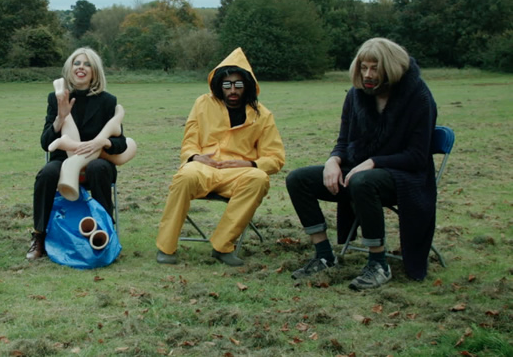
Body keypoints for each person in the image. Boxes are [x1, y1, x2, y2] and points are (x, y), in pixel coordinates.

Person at [287, 37, 437, 289]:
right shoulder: (357, 96)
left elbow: (417, 156)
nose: (367, 74)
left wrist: (373, 162)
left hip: (405, 176)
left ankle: (378, 264)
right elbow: (344, 140)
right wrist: (333, 161)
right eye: (363, 67)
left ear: (391, 67)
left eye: (375, 68)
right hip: (359, 172)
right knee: (297, 179)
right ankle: (324, 255)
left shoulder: (419, 97)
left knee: (363, 180)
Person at [156, 48, 285, 267]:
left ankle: (223, 246)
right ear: (219, 85)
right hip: (203, 167)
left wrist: (251, 163)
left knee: (259, 178)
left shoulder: (263, 115)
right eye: (227, 85)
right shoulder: (202, 104)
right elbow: (189, 140)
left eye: (238, 84)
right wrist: (194, 157)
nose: (232, 90)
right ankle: (166, 247)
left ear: (247, 85)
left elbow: (275, 157)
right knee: (185, 176)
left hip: (238, 172)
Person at [28, 47, 133, 260]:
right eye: (77, 63)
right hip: (64, 160)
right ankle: (39, 236)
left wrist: (104, 141)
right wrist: (60, 118)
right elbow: (45, 143)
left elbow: (121, 143)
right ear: (70, 68)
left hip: (98, 160)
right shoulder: (56, 98)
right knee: (47, 174)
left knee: (98, 169)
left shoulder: (107, 101)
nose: (81, 68)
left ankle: (106, 233)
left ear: (94, 71)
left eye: (87, 64)